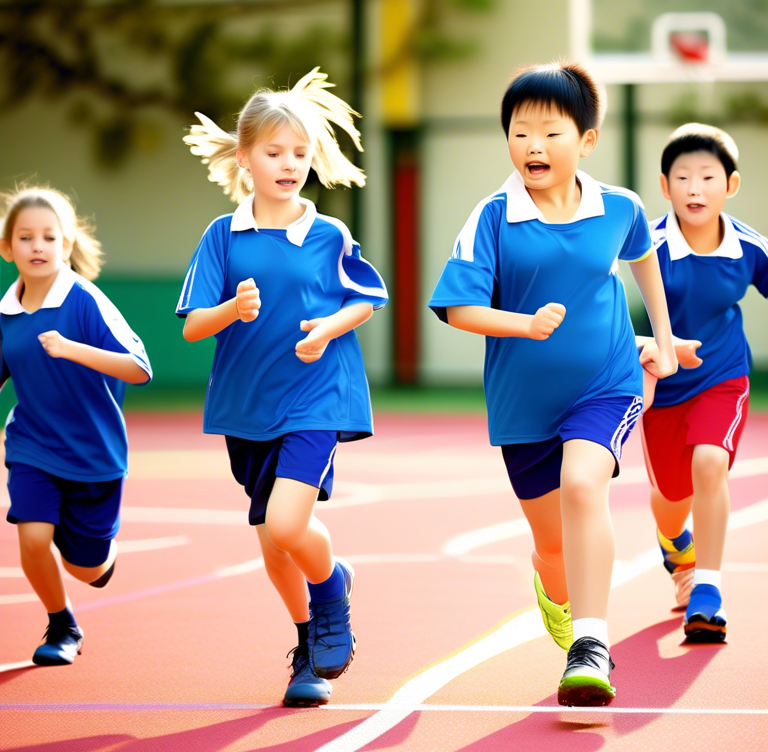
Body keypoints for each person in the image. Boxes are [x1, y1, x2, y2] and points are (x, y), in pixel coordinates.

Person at [429, 62, 677, 706]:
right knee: (551, 544)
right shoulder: (492, 217)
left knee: (582, 485)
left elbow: (643, 258)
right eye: (519, 133)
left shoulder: (619, 207)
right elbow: (457, 308)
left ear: (586, 140)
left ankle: (590, 642)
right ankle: (555, 588)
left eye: (549, 132)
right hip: (522, 405)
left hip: (607, 383)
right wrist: (524, 325)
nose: (532, 147)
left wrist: (664, 339)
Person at [178, 68, 387, 707]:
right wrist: (231, 311)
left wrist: (327, 327)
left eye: (301, 153)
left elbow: (366, 300)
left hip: (317, 397)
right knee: (274, 547)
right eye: (274, 152)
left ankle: (330, 594)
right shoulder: (223, 236)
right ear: (245, 159)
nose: (289, 164)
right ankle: (306, 647)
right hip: (247, 406)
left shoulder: (328, 235)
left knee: (287, 521)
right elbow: (192, 327)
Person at [0, 185, 152, 665]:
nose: (38, 246)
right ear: (7, 248)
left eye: (49, 236)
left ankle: (95, 558)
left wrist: (71, 348)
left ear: (66, 245)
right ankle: (61, 624)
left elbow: (139, 367)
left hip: (94, 455)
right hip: (33, 445)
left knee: (85, 567)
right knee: (32, 536)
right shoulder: (5, 313)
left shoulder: (85, 301)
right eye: (26, 237)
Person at [637, 123, 768, 642]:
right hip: (661, 384)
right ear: (665, 186)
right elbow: (592, 302)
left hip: (723, 376)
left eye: (708, 177)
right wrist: (654, 345)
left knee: (710, 463)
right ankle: (677, 544)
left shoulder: (749, 248)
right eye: (683, 177)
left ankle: (707, 591)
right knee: (671, 496)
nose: (695, 188)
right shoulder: (645, 242)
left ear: (730, 185)